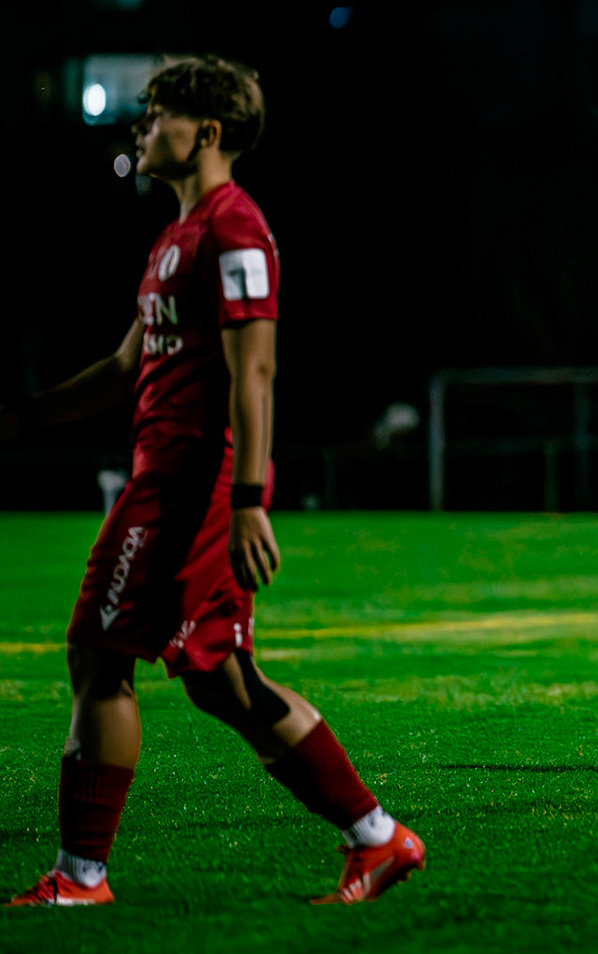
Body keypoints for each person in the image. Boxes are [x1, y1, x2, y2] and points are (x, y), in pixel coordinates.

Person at [0, 58, 424, 907]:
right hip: (169, 479)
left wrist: (249, 501)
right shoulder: (176, 236)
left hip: (188, 483)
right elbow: (129, 364)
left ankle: (84, 878)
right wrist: (30, 416)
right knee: (218, 678)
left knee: (100, 652)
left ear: (208, 132)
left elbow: (254, 372)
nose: (142, 126)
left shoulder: (235, 229)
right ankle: (377, 838)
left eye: (157, 113)